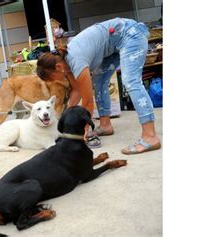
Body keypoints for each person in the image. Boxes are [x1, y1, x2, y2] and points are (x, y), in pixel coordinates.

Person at [63, 17, 161, 154]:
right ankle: (105, 125)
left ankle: (150, 136)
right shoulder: (64, 62)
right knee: (99, 81)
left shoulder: (75, 60)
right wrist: (66, 119)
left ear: (56, 67)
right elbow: (77, 90)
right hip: (113, 44)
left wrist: (83, 127)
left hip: (130, 34)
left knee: (131, 81)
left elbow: (87, 101)